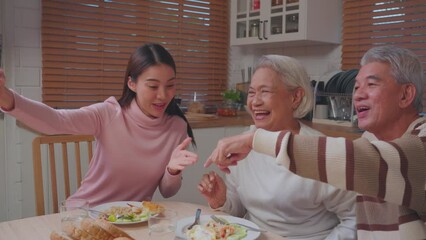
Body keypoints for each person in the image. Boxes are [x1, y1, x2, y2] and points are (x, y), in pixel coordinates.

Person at [205, 45, 426, 240]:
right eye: (356, 87)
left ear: (406, 94)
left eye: (371, 85)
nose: (357, 95)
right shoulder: (369, 141)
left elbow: (363, 161)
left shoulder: (421, 139)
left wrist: (257, 140)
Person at [0, 43, 198, 207]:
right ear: (132, 84)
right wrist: (7, 98)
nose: (163, 95)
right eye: (153, 86)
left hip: (134, 222)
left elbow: (168, 191)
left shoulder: (177, 127)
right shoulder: (109, 113)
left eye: (170, 85)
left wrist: (172, 170)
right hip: (85, 215)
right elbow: (56, 120)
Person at [198, 55, 357, 239]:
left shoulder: (318, 152)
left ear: (295, 97)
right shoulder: (242, 144)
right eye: (251, 92)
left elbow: (354, 218)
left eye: (265, 91)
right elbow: (239, 211)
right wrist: (221, 200)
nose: (255, 101)